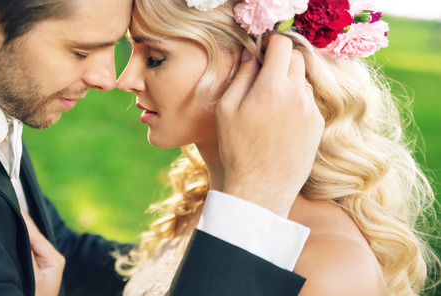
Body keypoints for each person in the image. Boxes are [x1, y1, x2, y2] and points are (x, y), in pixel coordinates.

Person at [0, 0, 324, 295]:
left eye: (153, 58)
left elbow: (52, 250)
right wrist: (252, 204)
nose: (111, 79)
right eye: (79, 51)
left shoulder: (327, 268)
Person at [114, 0, 439, 295]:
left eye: (155, 59)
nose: (124, 79)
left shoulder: (330, 270)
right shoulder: (208, 198)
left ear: (261, 64)